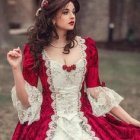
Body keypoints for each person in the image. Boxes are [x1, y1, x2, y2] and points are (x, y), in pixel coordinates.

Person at [7, 0, 140, 139]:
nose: (72, 16)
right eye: (65, 12)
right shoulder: (35, 50)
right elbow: (26, 101)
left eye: (73, 12)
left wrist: (129, 120)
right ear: (51, 18)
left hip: (84, 118)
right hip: (48, 121)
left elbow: (96, 92)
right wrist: (16, 68)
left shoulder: (87, 47)